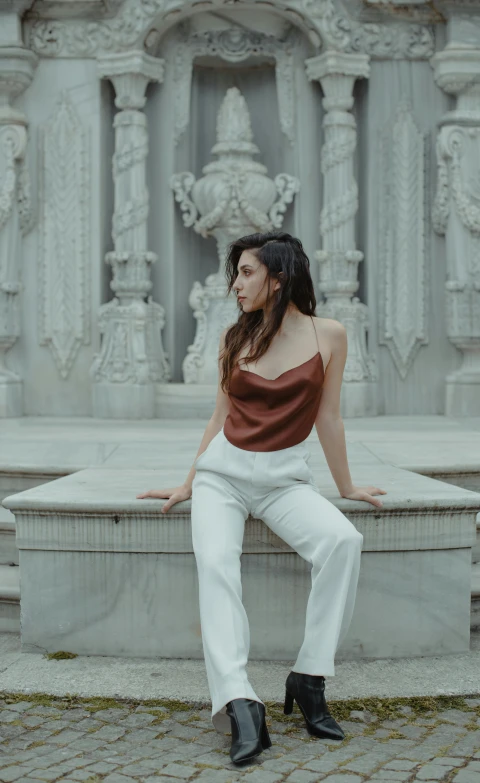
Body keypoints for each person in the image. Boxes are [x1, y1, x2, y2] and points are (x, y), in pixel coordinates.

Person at [137, 231, 386, 765]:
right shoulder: (235, 337)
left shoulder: (331, 335)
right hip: (222, 477)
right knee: (218, 566)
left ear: (278, 278)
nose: (236, 284)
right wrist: (189, 480)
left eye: (246, 273)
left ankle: (309, 678)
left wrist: (347, 487)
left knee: (342, 540)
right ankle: (240, 704)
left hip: (283, 479)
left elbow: (329, 416)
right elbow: (220, 416)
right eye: (237, 274)